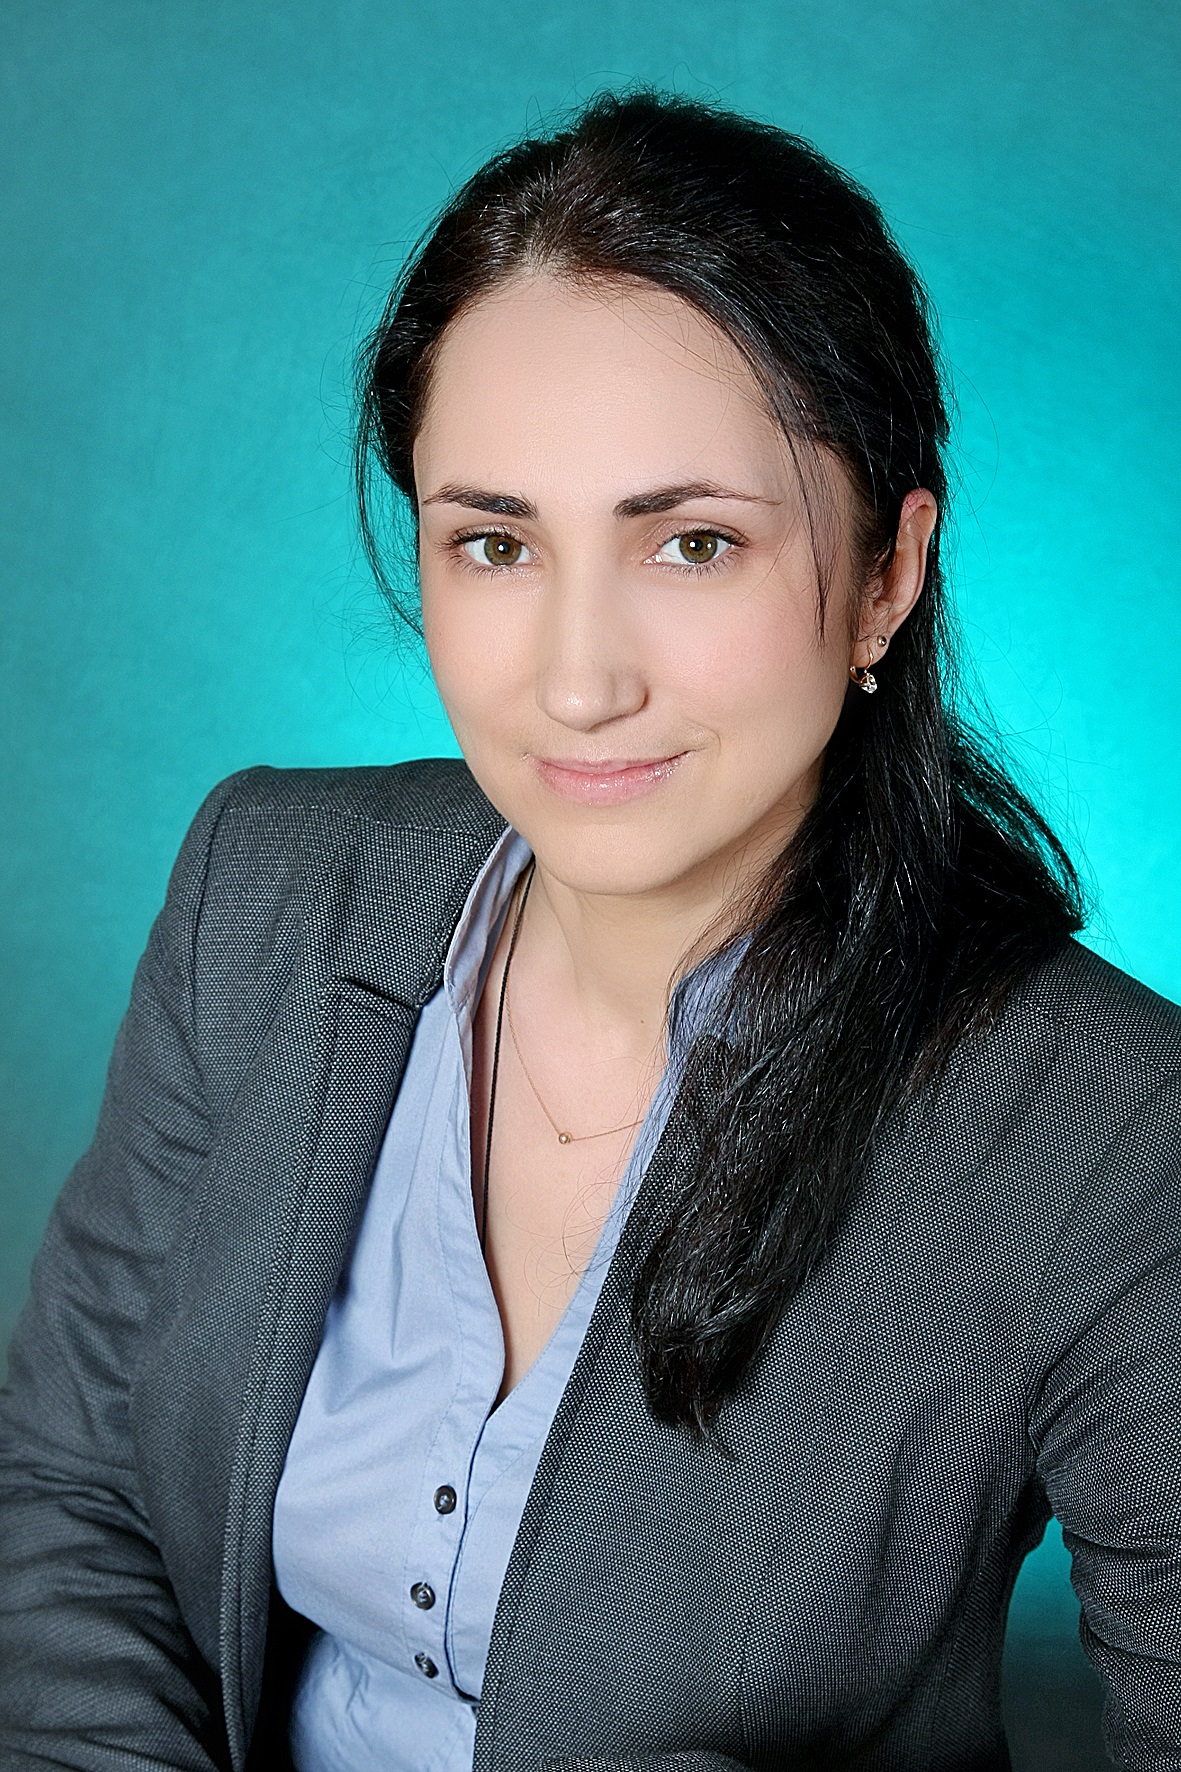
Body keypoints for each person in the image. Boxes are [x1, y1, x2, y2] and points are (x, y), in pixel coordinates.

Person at [1, 87, 1179, 1772]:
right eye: (494, 543)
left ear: (884, 573)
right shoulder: (262, 890)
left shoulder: (1112, 1133)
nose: (575, 681)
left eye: (691, 544)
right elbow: (74, 1484)